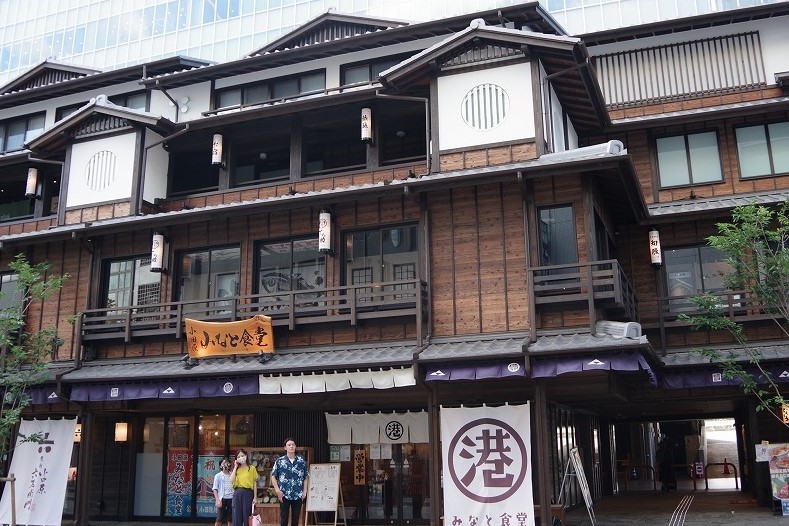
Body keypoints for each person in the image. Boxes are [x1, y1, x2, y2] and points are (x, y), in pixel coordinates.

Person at [271, 438, 310, 526]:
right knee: (284, 519)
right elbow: (273, 476)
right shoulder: (280, 461)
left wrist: (305, 491)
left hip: (297, 494)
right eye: (289, 445)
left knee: (295, 520)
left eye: (293, 444)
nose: (291, 446)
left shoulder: (301, 462)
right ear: (285, 448)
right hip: (284, 493)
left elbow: (306, 477)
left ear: (295, 447)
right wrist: (277, 490)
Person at [230, 449, 258, 526]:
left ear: (246, 456)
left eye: (242, 456)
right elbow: (231, 480)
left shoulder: (251, 468)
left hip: (248, 493)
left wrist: (255, 497)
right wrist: (235, 467)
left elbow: (255, 483)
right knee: (236, 515)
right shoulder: (236, 469)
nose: (241, 457)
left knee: (247, 515)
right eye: (238, 457)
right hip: (237, 493)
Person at [213, 458, 234, 526]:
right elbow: (215, 488)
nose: (226, 464)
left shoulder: (232, 474)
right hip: (222, 498)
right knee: (219, 518)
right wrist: (217, 500)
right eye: (223, 463)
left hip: (231, 498)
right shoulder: (218, 476)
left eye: (227, 463)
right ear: (220, 466)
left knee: (231, 518)